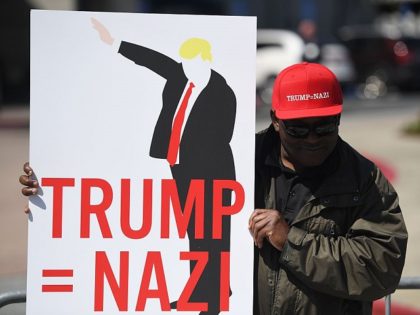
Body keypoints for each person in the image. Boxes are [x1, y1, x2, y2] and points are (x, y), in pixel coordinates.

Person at [20, 19, 237, 315]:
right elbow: (154, 60)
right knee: (193, 233)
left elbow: (221, 138)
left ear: (204, 60)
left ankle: (215, 297)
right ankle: (201, 289)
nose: (183, 66)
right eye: (183, 62)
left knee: (212, 233)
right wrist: (114, 42)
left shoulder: (223, 92)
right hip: (181, 167)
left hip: (213, 172)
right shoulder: (181, 76)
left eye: (189, 61)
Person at [248, 62, 408, 315]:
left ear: (339, 119)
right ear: (275, 120)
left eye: (324, 126)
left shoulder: (364, 180)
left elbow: (381, 268)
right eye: (298, 128)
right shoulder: (238, 162)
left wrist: (291, 242)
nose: (312, 139)